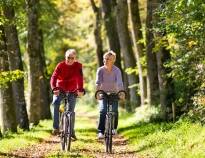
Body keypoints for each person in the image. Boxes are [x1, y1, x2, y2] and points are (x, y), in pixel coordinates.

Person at [50, 49, 84, 139]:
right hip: (60, 89)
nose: (70, 60)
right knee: (56, 102)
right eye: (68, 58)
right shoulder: (60, 65)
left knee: (71, 111)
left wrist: (80, 89)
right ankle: (56, 128)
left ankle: (71, 132)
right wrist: (54, 88)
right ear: (65, 57)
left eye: (72, 58)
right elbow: (54, 77)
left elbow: (80, 78)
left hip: (72, 90)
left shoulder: (78, 66)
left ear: (75, 58)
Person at [95, 50, 125, 139]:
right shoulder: (100, 70)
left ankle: (114, 129)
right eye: (105, 58)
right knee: (103, 110)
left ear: (113, 60)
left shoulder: (117, 70)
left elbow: (120, 83)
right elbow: (98, 83)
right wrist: (97, 92)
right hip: (103, 93)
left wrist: (121, 92)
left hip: (114, 93)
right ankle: (101, 131)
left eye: (108, 59)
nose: (105, 60)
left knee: (115, 111)